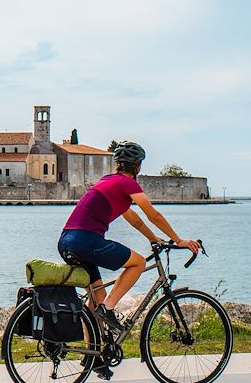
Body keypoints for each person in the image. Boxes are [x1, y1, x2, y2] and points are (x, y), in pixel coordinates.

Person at [58, 141, 199, 331]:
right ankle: (108, 309)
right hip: (86, 240)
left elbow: (134, 219)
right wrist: (179, 240)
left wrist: (153, 238)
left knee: (97, 296)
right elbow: (153, 215)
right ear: (138, 166)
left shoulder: (108, 181)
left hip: (67, 241)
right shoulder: (127, 183)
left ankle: (92, 357)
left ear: (118, 164)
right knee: (138, 263)